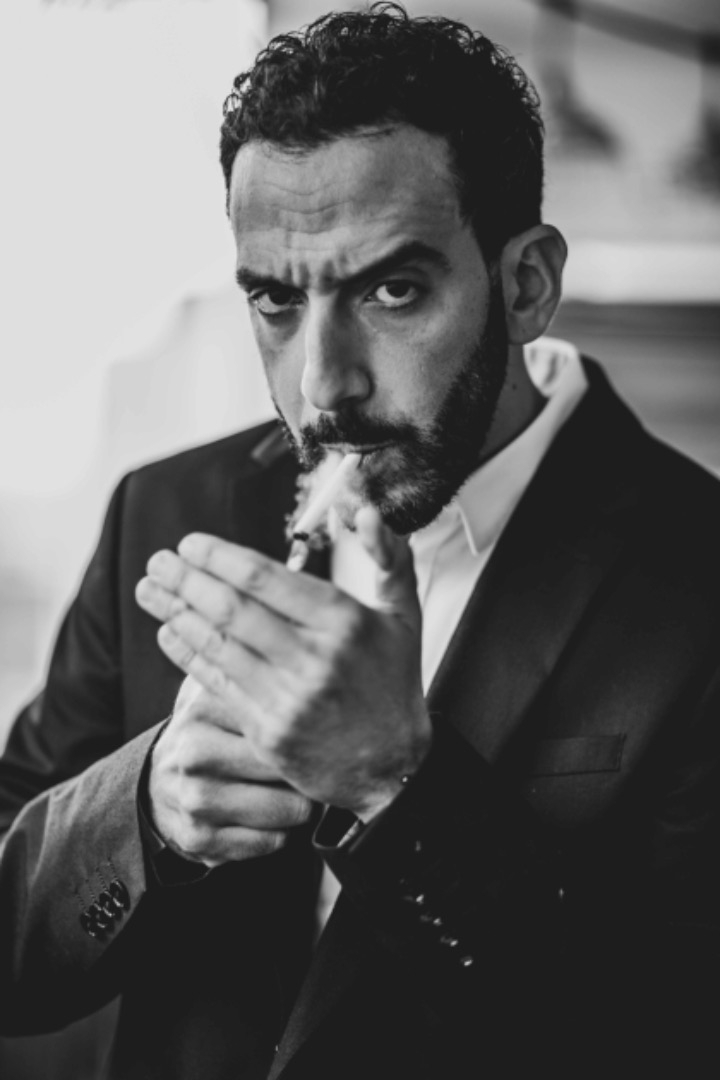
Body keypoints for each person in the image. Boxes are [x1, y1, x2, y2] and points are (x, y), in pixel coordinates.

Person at [1, 4, 719, 1078]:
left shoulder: (699, 576)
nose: (322, 387)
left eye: (391, 290)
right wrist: (143, 810)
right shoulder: (165, 511)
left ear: (525, 285)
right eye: (275, 301)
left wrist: (400, 786)